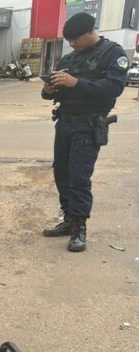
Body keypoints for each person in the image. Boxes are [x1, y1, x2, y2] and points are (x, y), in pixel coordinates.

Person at [41, 13, 128, 252]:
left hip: (89, 125)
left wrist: (76, 83)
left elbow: (114, 87)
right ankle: (68, 220)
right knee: (62, 173)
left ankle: (79, 227)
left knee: (79, 177)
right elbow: (52, 94)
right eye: (68, 40)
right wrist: (49, 88)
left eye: (74, 40)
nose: (71, 45)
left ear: (90, 32)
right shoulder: (69, 58)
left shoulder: (112, 53)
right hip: (65, 123)